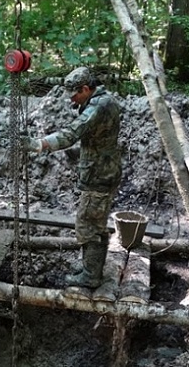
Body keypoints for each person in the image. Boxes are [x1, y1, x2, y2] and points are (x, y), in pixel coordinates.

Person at [24, 67, 122, 288]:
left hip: (99, 174)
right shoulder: (102, 100)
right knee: (94, 222)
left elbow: (71, 134)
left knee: (88, 223)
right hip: (102, 169)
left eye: (75, 95)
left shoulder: (99, 106)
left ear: (86, 89)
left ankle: (90, 276)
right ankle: (91, 267)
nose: (73, 101)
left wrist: (38, 144)